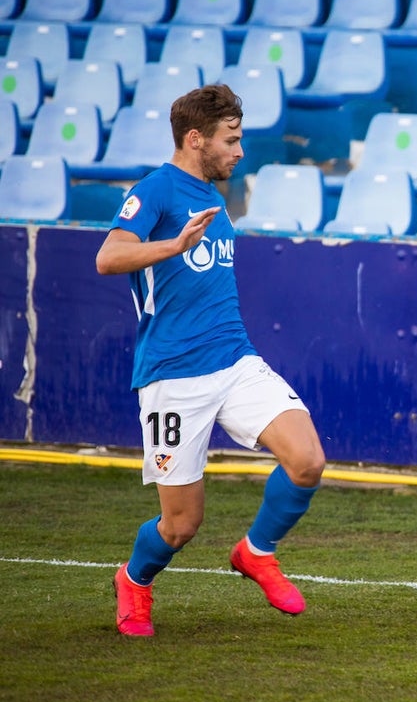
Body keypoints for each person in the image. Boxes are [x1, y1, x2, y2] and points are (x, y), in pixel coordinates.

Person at [96, 84, 326, 637]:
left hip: (234, 357)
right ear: (195, 139)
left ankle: (256, 552)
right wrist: (172, 246)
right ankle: (134, 581)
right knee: (180, 526)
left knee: (307, 461)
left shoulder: (212, 194)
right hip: (172, 374)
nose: (240, 151)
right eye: (232, 140)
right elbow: (109, 257)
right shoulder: (154, 191)